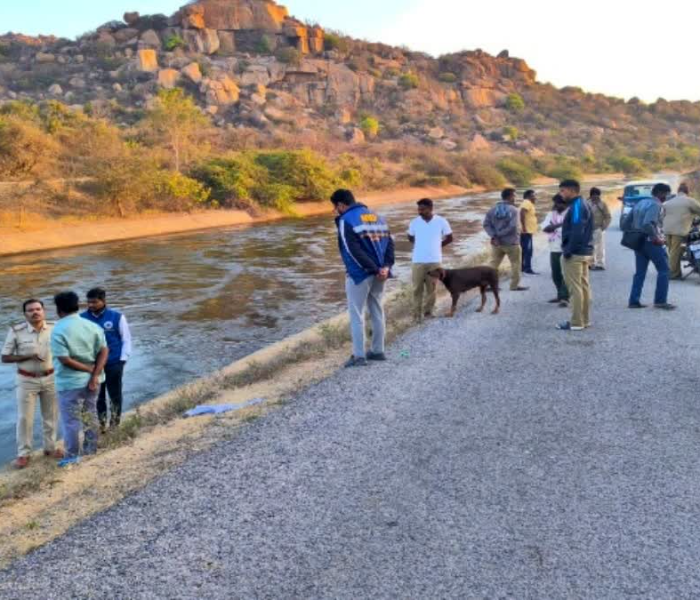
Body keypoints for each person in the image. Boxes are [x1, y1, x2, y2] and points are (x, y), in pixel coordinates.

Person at [331, 189, 395, 368]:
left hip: (359, 274)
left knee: (356, 314)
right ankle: (377, 351)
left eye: (336, 208)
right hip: (380, 273)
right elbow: (390, 245)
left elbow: (352, 250)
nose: (336, 211)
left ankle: (359, 356)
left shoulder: (345, 220)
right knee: (376, 309)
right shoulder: (377, 216)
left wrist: (374, 269)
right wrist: (385, 268)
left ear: (341, 205)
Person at [1, 299, 63, 469]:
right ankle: (23, 454)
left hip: (51, 377)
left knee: (51, 415)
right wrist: (27, 356)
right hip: (26, 379)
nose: (35, 312)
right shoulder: (16, 331)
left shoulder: (55, 327)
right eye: (30, 310)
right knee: (24, 418)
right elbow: (5, 357)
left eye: (38, 309)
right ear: (25, 314)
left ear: (44, 311)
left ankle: (50, 448)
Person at [51, 291, 109, 466]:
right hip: (93, 382)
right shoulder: (92, 326)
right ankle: (91, 450)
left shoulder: (58, 329)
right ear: (77, 306)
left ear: (59, 310)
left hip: (69, 383)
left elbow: (65, 360)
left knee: (70, 421)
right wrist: (95, 374)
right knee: (90, 414)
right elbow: (104, 351)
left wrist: (88, 370)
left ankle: (72, 456)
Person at [81, 288, 132, 432]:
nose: (91, 305)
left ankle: (115, 424)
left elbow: (126, 339)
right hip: (92, 366)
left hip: (114, 363)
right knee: (97, 396)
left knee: (115, 395)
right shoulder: (82, 318)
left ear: (103, 301)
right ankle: (101, 425)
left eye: (94, 302)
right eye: (89, 302)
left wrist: (123, 360)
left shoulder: (117, 317)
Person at [628, 183, 675, 310]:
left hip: (638, 241)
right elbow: (647, 223)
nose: (666, 197)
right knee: (664, 270)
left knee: (640, 273)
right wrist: (656, 238)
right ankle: (660, 301)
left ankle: (634, 300)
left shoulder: (640, 202)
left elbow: (626, 221)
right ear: (660, 193)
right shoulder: (655, 204)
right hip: (651, 242)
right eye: (666, 194)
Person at [408, 198, 454, 322]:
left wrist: (438, 246)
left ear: (431, 209)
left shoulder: (441, 221)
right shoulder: (414, 222)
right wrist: (421, 246)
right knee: (417, 289)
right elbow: (410, 237)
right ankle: (416, 316)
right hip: (417, 260)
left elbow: (450, 238)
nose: (420, 212)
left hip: (435, 261)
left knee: (432, 288)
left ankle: (428, 312)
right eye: (418, 209)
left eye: (423, 209)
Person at [557, 180, 594, 331]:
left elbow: (577, 229)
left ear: (572, 191)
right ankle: (584, 320)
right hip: (585, 251)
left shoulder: (578, 206)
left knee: (575, 289)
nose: (561, 194)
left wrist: (568, 250)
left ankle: (576, 322)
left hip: (576, 253)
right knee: (584, 287)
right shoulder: (583, 203)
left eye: (562, 191)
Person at [484, 188, 528, 291]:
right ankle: (514, 286)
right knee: (515, 264)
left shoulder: (492, 210)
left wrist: (494, 236)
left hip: (496, 243)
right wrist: (499, 235)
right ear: (511, 196)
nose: (515, 198)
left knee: (493, 264)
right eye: (515, 196)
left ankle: (490, 285)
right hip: (512, 242)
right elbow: (513, 226)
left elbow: (486, 225)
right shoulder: (514, 210)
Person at [663, 182, 700, 280]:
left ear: (678, 191)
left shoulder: (669, 202)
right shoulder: (689, 201)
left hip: (667, 230)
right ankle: (672, 274)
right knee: (676, 253)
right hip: (679, 230)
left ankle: (676, 272)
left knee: (673, 252)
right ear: (687, 191)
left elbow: (662, 215)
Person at [541, 194, 570, 307]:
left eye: (559, 203)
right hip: (554, 247)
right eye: (555, 203)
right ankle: (560, 294)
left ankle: (565, 297)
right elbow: (545, 228)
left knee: (566, 273)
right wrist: (560, 225)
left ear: (565, 203)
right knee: (556, 273)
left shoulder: (570, 214)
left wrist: (553, 226)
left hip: (567, 247)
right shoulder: (551, 214)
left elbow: (568, 230)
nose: (557, 205)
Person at [589, 187, 612, 270]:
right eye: (593, 195)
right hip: (588, 229)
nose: (595, 197)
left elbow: (608, 217)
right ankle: (591, 263)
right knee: (590, 247)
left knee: (599, 247)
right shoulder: (586, 203)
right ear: (590, 195)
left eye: (597, 195)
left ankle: (600, 264)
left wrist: (603, 227)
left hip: (598, 228)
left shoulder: (603, 204)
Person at [519, 189, 538, 274]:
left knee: (525, 249)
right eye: (533, 195)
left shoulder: (529, 203)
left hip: (527, 231)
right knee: (528, 250)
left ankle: (523, 267)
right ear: (528, 196)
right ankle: (527, 268)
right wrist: (523, 227)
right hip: (526, 231)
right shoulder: (527, 202)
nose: (535, 197)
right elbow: (522, 212)